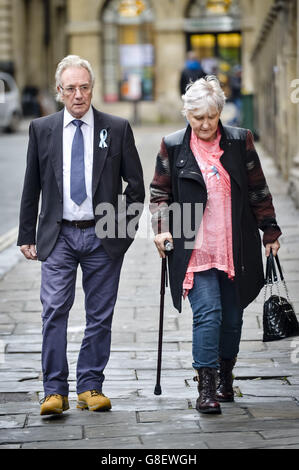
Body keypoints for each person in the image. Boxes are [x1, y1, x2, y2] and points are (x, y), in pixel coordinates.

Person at [17, 55, 145, 416]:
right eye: (70, 88)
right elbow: (32, 187)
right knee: (54, 310)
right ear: (60, 92)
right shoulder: (42, 129)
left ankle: (91, 386)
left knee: (100, 315)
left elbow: (135, 187)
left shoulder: (116, 128)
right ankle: (53, 391)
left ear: (92, 89)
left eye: (84, 87)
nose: (78, 95)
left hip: (102, 237)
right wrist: (27, 233)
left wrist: (123, 232)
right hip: (57, 237)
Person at [150, 76, 281, 415]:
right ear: (187, 115)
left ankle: (225, 375)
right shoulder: (173, 145)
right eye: (198, 118)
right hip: (194, 250)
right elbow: (159, 194)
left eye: (211, 116)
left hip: (234, 246)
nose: (206, 124)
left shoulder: (240, 142)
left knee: (232, 319)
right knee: (208, 314)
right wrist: (162, 229)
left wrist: (270, 231)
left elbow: (257, 189)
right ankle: (205, 386)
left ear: (220, 112)